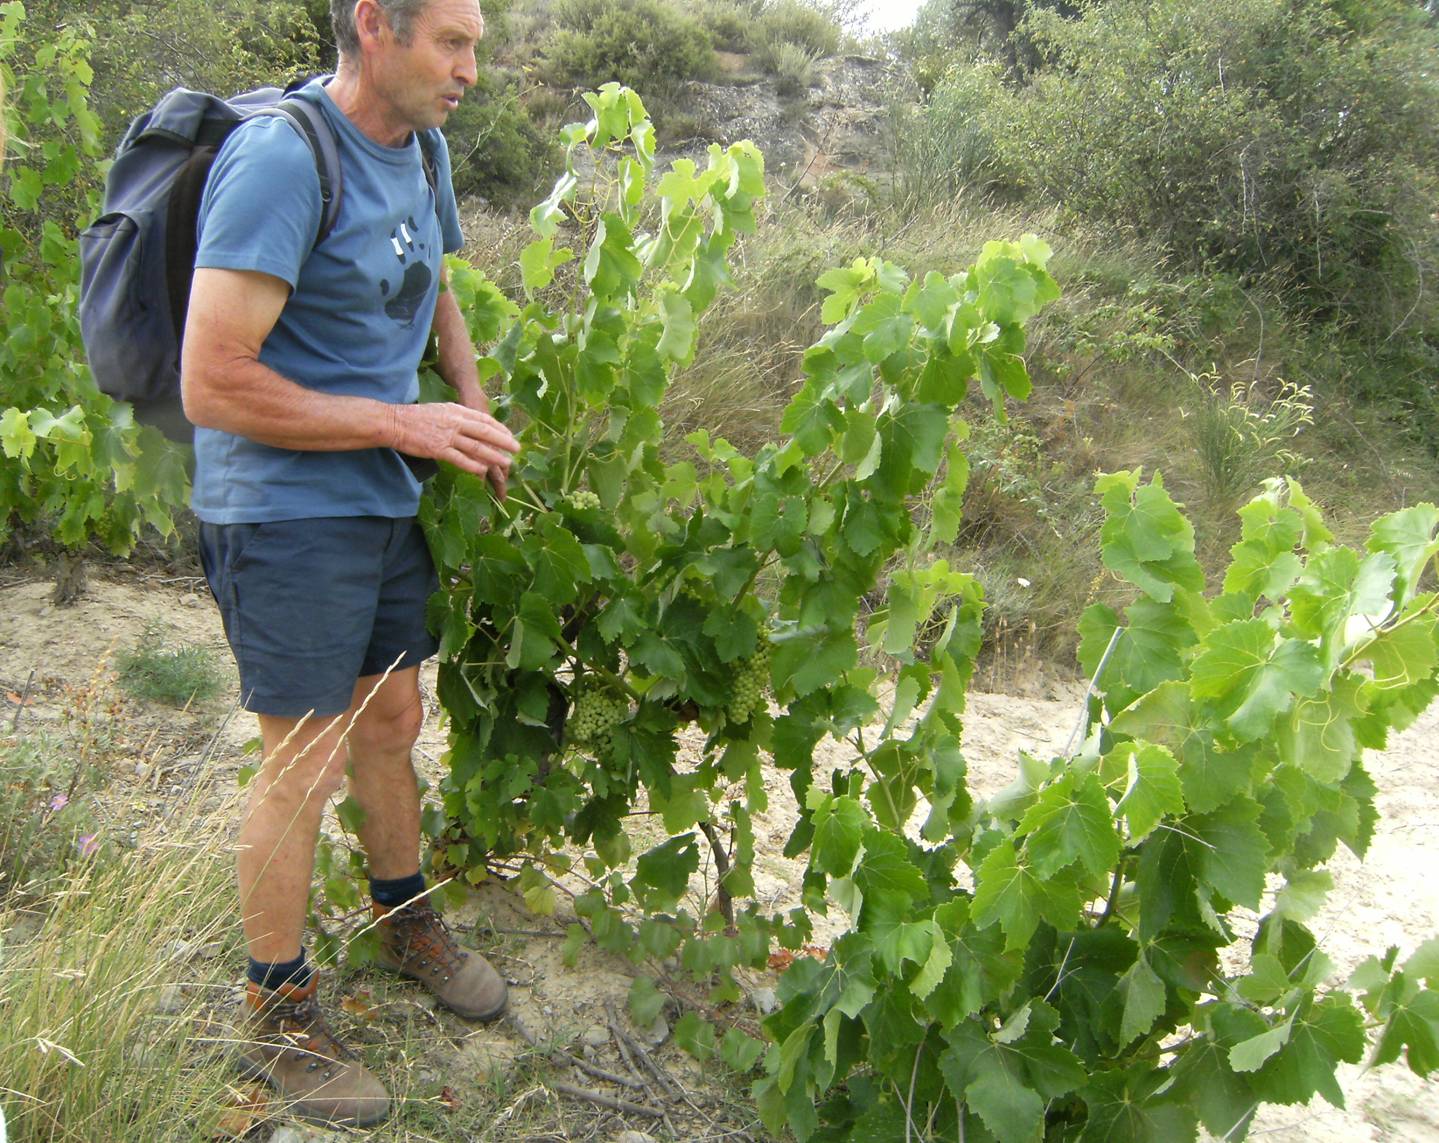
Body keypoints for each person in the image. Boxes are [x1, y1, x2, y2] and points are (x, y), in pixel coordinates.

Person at [180, 0, 519, 1127]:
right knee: (305, 758)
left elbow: (441, 291)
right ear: (376, 25)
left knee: (390, 718)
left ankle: (400, 916)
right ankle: (275, 1009)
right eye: (453, 42)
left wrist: (466, 407)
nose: (473, 67)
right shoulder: (281, 160)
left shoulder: (422, 147)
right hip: (280, 508)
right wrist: (405, 424)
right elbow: (211, 381)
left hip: (380, 494)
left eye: (475, 42)